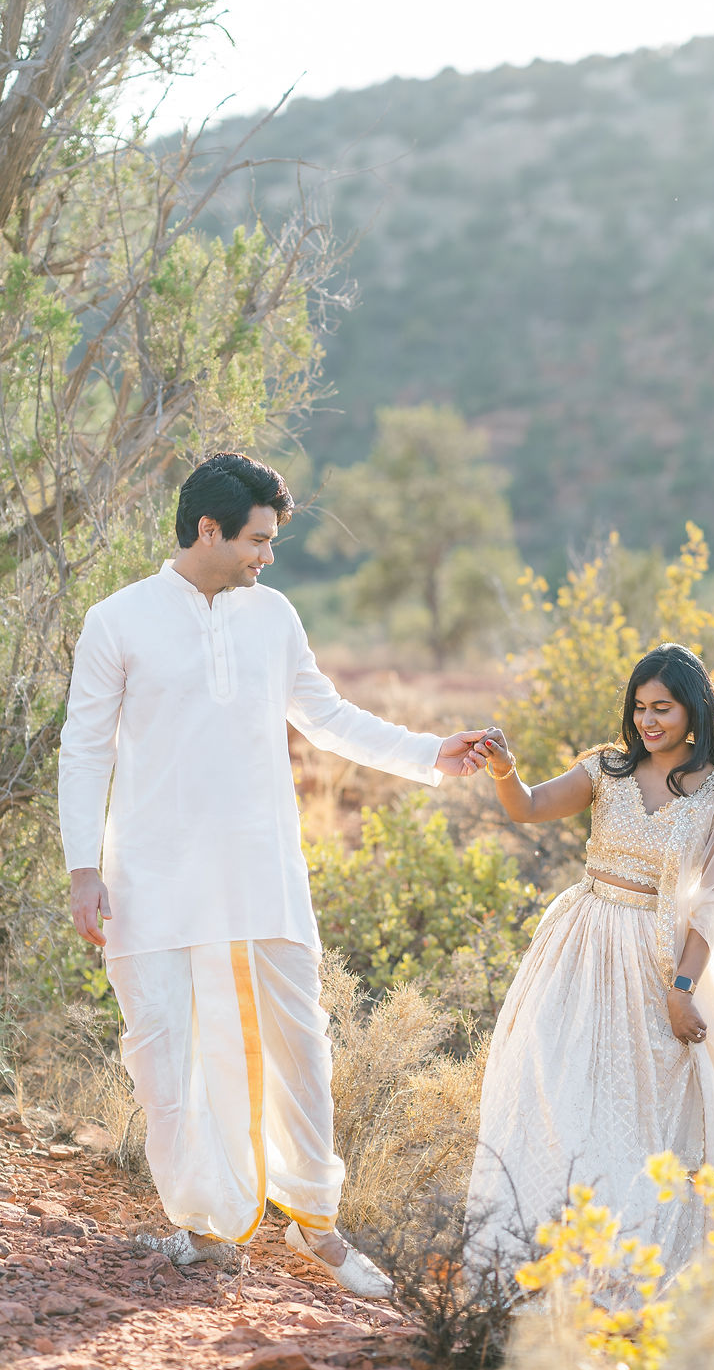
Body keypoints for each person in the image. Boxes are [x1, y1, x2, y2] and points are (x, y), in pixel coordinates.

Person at [59, 452, 490, 1299]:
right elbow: (85, 749)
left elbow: (323, 715)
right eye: (258, 539)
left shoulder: (274, 615)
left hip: (262, 873)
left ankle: (315, 1227)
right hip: (153, 880)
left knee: (301, 1046)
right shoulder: (118, 621)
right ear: (209, 529)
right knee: (164, 1057)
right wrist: (84, 870)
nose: (267, 556)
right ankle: (208, 1226)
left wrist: (425, 754)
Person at [466, 642, 714, 1290]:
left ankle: (637, 1273)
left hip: (660, 962)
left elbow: (712, 907)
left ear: (696, 711)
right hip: (580, 943)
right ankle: (539, 1258)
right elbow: (528, 807)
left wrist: (682, 989)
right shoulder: (605, 769)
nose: (649, 721)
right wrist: (504, 770)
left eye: (663, 707)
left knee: (643, 1113)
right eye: (639, 707)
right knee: (553, 1081)